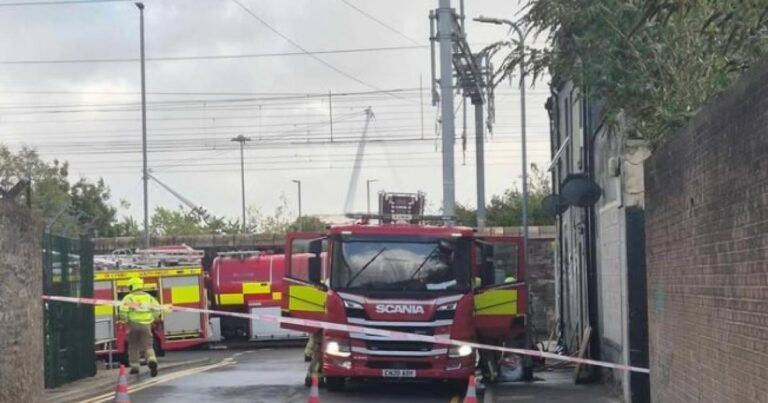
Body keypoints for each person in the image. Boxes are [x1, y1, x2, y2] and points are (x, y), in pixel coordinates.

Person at [119, 277, 162, 377]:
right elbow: (157, 310)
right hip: (146, 325)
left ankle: (135, 367)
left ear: (131, 286)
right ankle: (152, 360)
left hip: (133, 325)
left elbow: (123, 311)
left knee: (133, 346)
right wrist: (152, 318)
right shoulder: (149, 297)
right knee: (148, 346)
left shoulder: (128, 298)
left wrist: (125, 320)